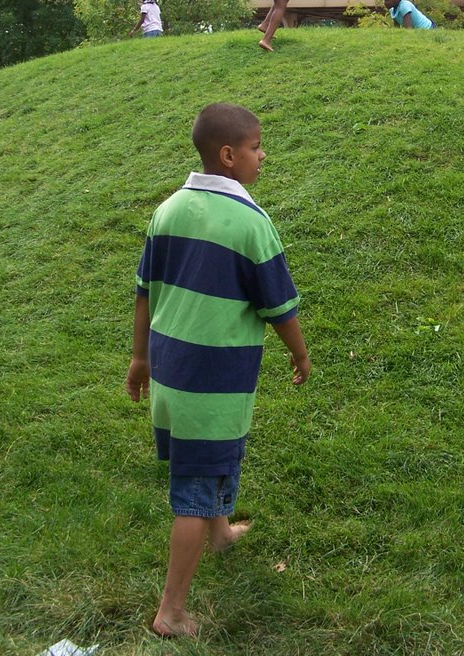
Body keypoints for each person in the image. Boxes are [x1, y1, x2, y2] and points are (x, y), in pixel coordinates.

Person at [125, 102, 311, 638]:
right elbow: (280, 306)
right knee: (193, 487)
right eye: (256, 147)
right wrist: (299, 354)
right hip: (213, 382)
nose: (262, 155)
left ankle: (222, 532)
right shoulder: (251, 224)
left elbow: (144, 292)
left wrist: (139, 358)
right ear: (228, 156)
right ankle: (171, 612)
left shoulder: (168, 211)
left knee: (205, 465)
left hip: (169, 373)